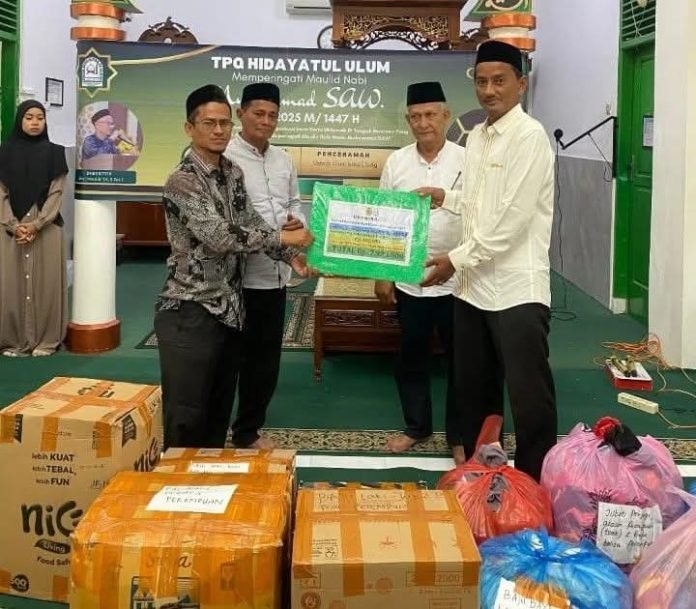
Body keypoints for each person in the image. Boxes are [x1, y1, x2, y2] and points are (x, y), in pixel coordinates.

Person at [419, 40, 556, 481]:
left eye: (499, 81)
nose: (489, 90)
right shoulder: (477, 136)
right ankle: (484, 480)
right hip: (473, 290)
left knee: (529, 398)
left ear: (521, 83)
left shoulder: (530, 137)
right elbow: (482, 202)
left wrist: (455, 259)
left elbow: (511, 219)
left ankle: (534, 485)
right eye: (481, 81)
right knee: (476, 393)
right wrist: (446, 197)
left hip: (516, 290)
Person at [154, 84, 313, 449]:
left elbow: (251, 222)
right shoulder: (182, 180)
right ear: (189, 128)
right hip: (191, 308)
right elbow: (219, 236)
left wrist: (292, 257)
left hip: (230, 306)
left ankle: (212, 475)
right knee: (187, 413)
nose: (219, 130)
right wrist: (283, 238)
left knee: (218, 408)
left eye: (223, 123)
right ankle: (178, 481)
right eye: (209, 123)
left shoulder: (231, 173)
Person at [374, 82, 467, 462]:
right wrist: (383, 273)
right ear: (407, 120)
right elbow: (383, 219)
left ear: (446, 116)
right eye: (415, 116)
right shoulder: (397, 162)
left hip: (459, 281)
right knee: (411, 357)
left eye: (430, 115)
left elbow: (480, 215)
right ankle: (417, 427)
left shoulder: (467, 160)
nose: (423, 123)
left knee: (462, 362)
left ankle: (460, 436)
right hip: (410, 281)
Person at [224, 83, 306, 449]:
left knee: (265, 360)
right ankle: (211, 427)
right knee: (227, 359)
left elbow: (294, 203)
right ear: (240, 113)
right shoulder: (224, 158)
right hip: (234, 279)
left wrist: (297, 222)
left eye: (273, 115)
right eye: (259, 113)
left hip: (275, 277)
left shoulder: (283, 159)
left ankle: (248, 429)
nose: (266, 121)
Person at [0, 100, 69, 357]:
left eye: (40, 117)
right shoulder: (4, 152)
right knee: (11, 285)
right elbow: (1, 193)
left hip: (47, 227)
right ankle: (13, 341)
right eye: (29, 117)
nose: (35, 122)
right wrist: (13, 225)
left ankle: (46, 341)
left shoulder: (55, 153)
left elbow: (57, 191)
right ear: (20, 120)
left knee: (47, 286)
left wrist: (37, 224)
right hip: (11, 228)